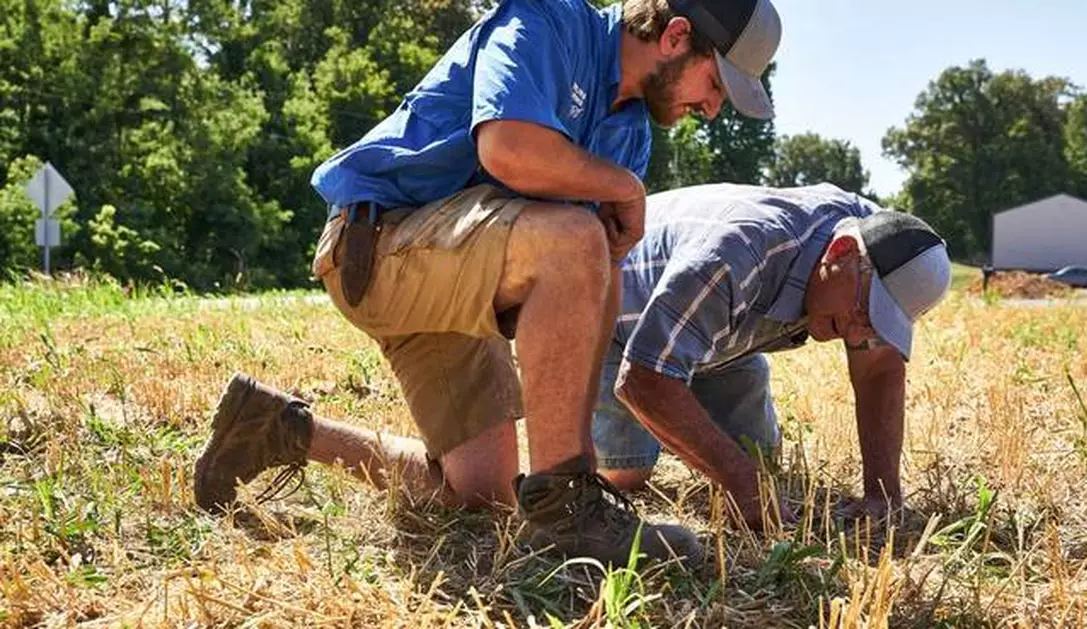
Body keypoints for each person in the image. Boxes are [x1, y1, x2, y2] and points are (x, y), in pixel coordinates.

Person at [192, 0, 782, 567]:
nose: (711, 109)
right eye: (716, 85)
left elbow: (594, 288)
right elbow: (507, 148)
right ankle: (566, 505)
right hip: (377, 246)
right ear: (676, 36)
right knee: (576, 238)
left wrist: (592, 451)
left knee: (481, 495)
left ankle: (278, 427)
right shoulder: (547, 20)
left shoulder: (631, 135)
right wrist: (624, 191)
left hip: (460, 278)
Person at [591, 182, 952, 529]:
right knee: (625, 475)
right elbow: (643, 379)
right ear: (839, 252)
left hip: (720, 332)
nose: (859, 334)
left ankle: (681, 408)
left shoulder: (883, 239)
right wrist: (740, 482)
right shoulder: (734, 253)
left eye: (880, 323)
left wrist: (882, 493)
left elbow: (878, 369)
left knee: (760, 460)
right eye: (864, 311)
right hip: (619, 323)